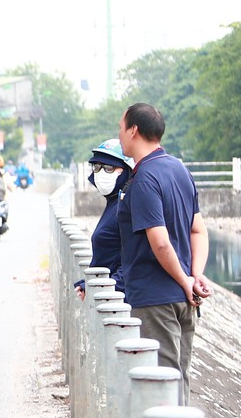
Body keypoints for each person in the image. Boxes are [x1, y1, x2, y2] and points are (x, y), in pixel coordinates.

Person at [115, 102, 211, 381]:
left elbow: (160, 243)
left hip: (156, 300)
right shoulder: (179, 170)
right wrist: (195, 276)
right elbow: (198, 230)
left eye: (120, 128)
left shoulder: (144, 178)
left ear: (133, 130)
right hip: (184, 301)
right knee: (178, 379)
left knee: (162, 385)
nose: (119, 135)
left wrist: (185, 280)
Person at [75, 139, 134, 299]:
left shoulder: (128, 206)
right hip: (108, 294)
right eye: (97, 167)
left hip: (120, 302)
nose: (100, 173)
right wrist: (88, 284)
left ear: (127, 171)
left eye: (109, 168)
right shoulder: (114, 203)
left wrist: (104, 288)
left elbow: (132, 262)